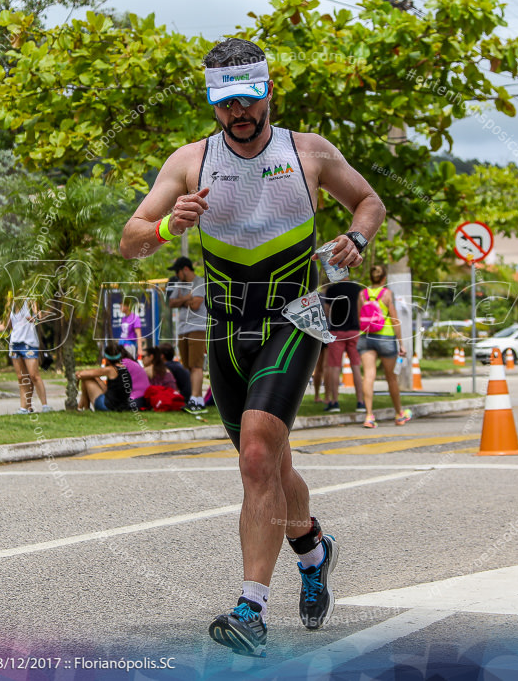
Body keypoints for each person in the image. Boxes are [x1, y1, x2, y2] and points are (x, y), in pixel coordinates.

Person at [118, 37, 384, 657]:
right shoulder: (189, 162)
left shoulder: (309, 152)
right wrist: (167, 225)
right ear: (213, 104)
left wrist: (357, 239)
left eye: (248, 97)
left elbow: (368, 202)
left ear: (267, 92)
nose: (238, 111)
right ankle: (314, 549)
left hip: (296, 318)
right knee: (269, 465)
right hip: (227, 329)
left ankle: (251, 611)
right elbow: (128, 240)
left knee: (258, 454)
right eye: (225, 101)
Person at [357, 265, 412, 429]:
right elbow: (394, 319)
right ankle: (399, 414)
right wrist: (401, 343)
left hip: (366, 337)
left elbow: (360, 316)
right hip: (386, 337)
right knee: (391, 378)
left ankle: (368, 416)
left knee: (368, 376)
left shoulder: (362, 294)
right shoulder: (387, 294)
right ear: (383, 279)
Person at [0, 298, 50, 414]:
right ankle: (24, 407)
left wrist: (34, 319)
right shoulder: (10, 304)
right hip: (15, 344)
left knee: (34, 375)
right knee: (22, 377)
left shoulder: (30, 301)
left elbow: (39, 318)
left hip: (29, 343)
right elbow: (4, 325)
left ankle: (45, 406)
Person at [167, 256, 209, 412]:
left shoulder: (200, 282)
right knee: (189, 366)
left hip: (197, 327)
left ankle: (196, 400)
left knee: (196, 365)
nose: (177, 276)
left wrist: (183, 300)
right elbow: (171, 303)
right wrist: (187, 298)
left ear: (185, 269)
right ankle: (196, 398)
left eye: (178, 272)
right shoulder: (179, 284)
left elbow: (196, 304)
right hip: (182, 329)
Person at [322, 278, 365, 413]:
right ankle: (360, 402)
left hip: (336, 331)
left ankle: (334, 402)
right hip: (354, 331)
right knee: (356, 367)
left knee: (335, 368)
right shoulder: (357, 288)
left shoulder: (332, 289)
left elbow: (327, 311)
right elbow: (361, 308)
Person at [76, 342, 137, 411]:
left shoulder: (110, 369)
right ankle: (81, 407)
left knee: (86, 379)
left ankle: (83, 408)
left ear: (107, 359)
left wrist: (79, 375)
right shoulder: (124, 368)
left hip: (108, 406)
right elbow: (108, 391)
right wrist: (97, 378)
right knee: (92, 377)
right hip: (122, 406)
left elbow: (83, 374)